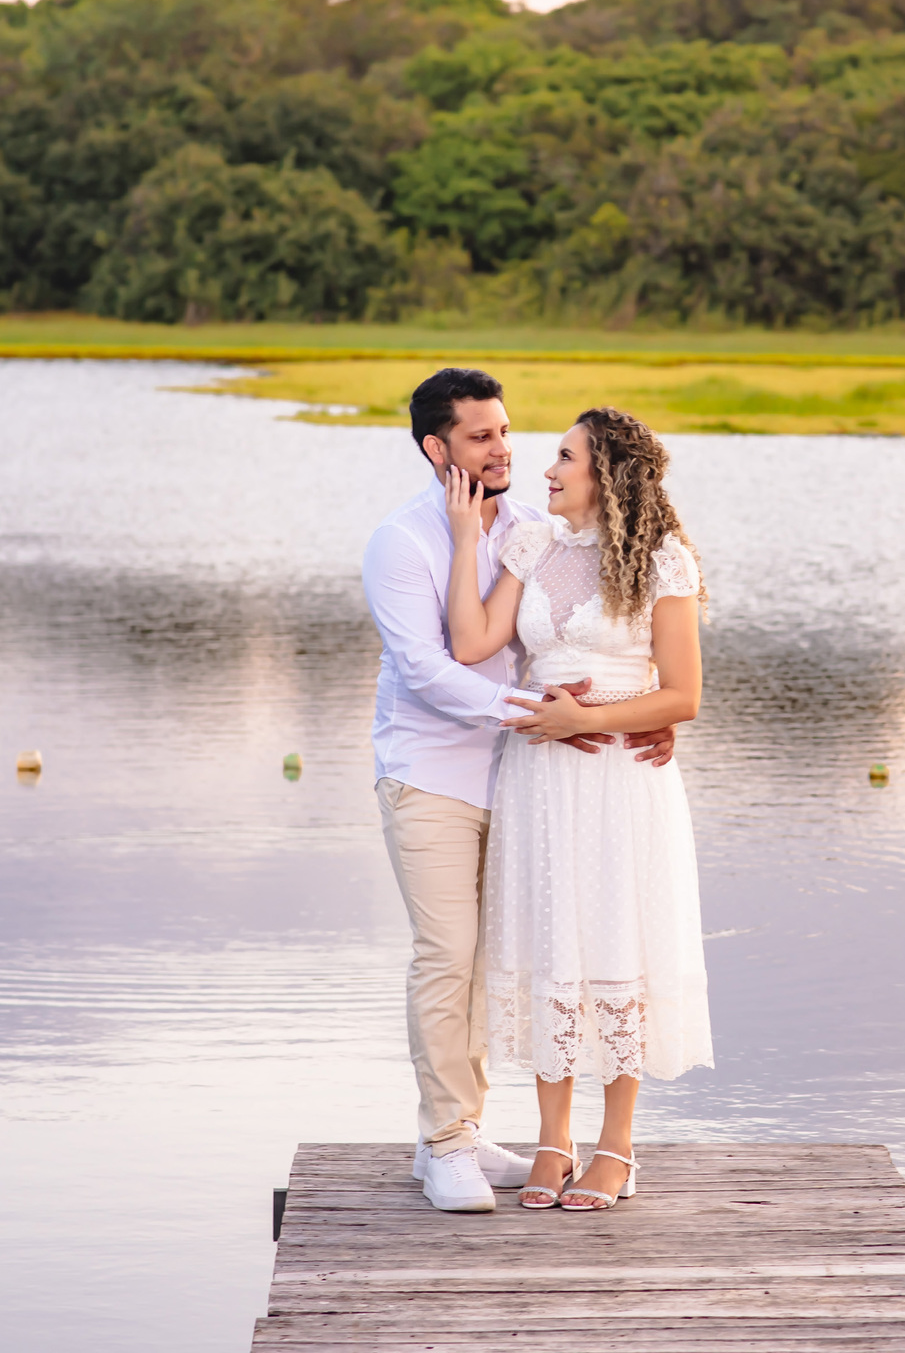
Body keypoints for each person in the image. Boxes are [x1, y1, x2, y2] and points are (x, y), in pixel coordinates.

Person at [362, 369, 676, 1213]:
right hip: (434, 775)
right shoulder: (403, 542)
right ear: (438, 449)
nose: (505, 450)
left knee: (521, 955)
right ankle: (447, 1143)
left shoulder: (542, 528)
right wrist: (554, 716)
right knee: (448, 957)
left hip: (533, 781)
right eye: (480, 437)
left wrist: (630, 713)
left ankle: (497, 1133)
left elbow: (609, 641)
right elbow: (434, 667)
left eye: (506, 433)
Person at [445, 406, 713, 1213]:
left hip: (621, 781)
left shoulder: (664, 562)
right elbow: (471, 644)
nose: (546, 470)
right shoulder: (531, 545)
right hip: (537, 782)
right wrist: (466, 541)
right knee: (547, 934)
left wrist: (584, 720)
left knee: (616, 937)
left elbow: (684, 694)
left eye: (564, 458)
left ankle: (617, 1147)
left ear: (609, 475)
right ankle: (552, 1139)